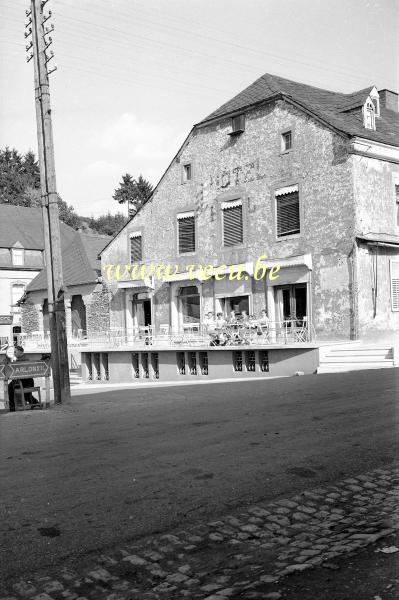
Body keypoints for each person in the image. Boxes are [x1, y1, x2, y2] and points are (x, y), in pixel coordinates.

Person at [8, 346, 39, 411]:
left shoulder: (23, 359)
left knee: (12, 387)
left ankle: (13, 407)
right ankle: (35, 403)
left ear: (20, 352)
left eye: (15, 351)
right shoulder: (19, 359)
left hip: (26, 381)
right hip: (22, 381)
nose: (14, 353)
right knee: (11, 386)